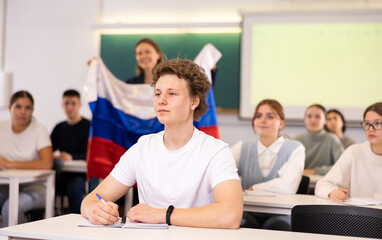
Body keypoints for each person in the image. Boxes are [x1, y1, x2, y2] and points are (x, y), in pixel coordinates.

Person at [81, 58, 243, 229]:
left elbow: (230, 215)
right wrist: (94, 210)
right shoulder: (142, 148)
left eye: (171, 94)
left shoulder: (216, 151)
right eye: (158, 94)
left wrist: (162, 215)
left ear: (194, 102)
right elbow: (91, 200)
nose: (161, 100)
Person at [231, 99, 305, 230]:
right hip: (247, 211)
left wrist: (255, 188)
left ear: (281, 123)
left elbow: (288, 186)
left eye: (270, 116)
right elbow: (221, 171)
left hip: (280, 214)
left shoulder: (295, 148)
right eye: (258, 116)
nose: (262, 120)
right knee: (242, 225)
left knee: (278, 227)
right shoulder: (242, 147)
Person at [0, 90, 53, 227]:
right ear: (10, 108)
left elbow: (47, 163)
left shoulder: (39, 129)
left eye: (27, 107)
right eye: (18, 106)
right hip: (6, 186)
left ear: (32, 110)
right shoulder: (1, 127)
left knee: (10, 207)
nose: (22, 111)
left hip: (37, 187)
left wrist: (9, 164)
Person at [315, 102, 382, 202]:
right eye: (367, 124)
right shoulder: (354, 152)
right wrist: (332, 192)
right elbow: (322, 184)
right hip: (360, 216)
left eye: (377, 123)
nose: (370, 129)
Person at [51, 89, 98, 214]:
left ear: (79, 105)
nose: (70, 107)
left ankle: (78, 218)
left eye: (73, 103)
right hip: (63, 173)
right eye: (67, 103)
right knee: (50, 184)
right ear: (62, 105)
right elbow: (48, 149)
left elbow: (93, 153)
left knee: (75, 186)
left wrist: (72, 157)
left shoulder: (89, 126)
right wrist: (55, 157)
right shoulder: (59, 128)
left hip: (83, 175)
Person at [294, 104, 344, 175]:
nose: (313, 120)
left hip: (326, 182)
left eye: (317, 117)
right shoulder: (296, 140)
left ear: (325, 121)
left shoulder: (332, 139)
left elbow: (343, 166)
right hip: (300, 183)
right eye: (309, 116)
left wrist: (313, 171)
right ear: (305, 119)